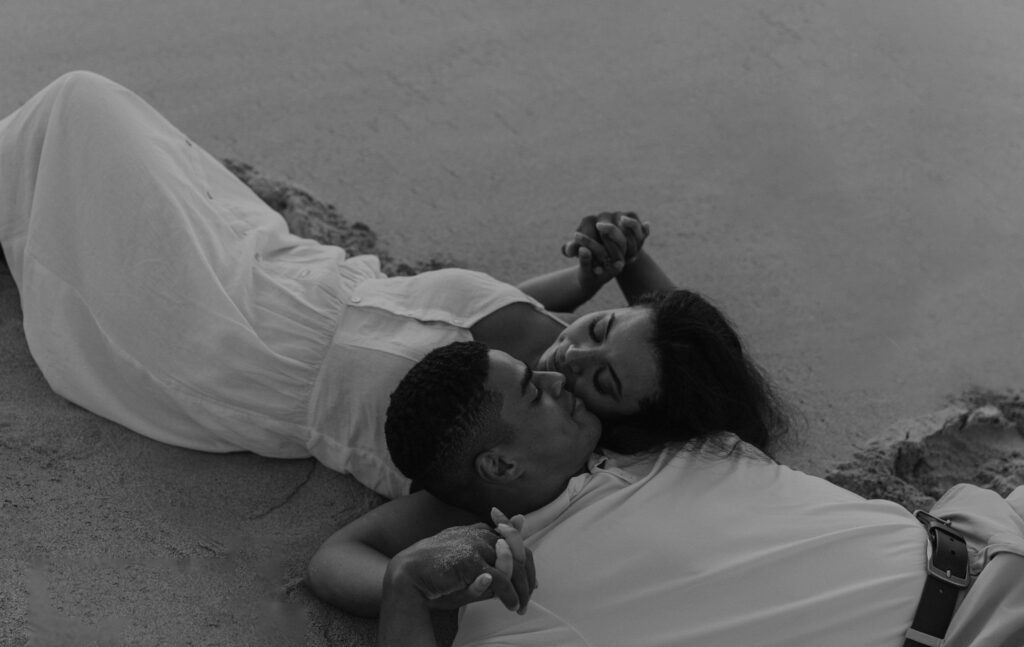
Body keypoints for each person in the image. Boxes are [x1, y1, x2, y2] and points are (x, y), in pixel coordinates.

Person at [0, 71, 786, 499]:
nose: (572, 359)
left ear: (623, 425)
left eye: (600, 380)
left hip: (247, 338)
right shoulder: (533, 354)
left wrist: (609, 288)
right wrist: (597, 275)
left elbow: (672, 370)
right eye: (596, 333)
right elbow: (489, 309)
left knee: (79, 108)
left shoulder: (529, 430)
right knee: (89, 124)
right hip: (289, 273)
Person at [357, 341, 1024, 647]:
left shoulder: (642, 441)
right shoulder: (519, 601)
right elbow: (346, 553)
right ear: (500, 465)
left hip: (987, 531)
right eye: (537, 391)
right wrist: (406, 588)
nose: (561, 377)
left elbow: (692, 348)